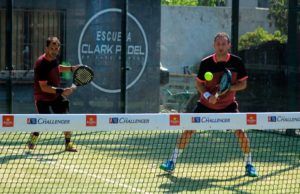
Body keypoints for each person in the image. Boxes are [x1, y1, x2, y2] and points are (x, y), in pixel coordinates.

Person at [160, 32, 258, 177]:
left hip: (228, 106)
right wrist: (207, 95)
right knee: (188, 130)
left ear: (229, 45)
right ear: (214, 45)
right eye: (218, 44)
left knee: (240, 133)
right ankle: (172, 162)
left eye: (224, 44)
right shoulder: (206, 63)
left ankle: (249, 164)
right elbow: (199, 84)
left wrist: (228, 88)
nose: (221, 47)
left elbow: (243, 84)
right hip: (205, 106)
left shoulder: (237, 62)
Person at [27, 36, 80, 152]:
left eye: (57, 48)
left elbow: (57, 68)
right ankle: (33, 138)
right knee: (45, 122)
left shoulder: (54, 59)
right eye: (52, 48)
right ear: (46, 48)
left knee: (66, 118)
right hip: (42, 97)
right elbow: (44, 87)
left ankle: (68, 144)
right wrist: (62, 90)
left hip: (55, 96)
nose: (55, 51)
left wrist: (71, 68)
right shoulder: (41, 64)